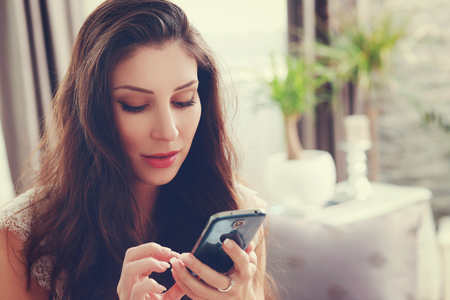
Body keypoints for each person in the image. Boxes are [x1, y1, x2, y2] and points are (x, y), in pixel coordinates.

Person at [0, 0, 275, 299]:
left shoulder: (233, 208)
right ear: (91, 110)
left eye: (184, 100)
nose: (168, 131)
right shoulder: (20, 241)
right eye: (136, 106)